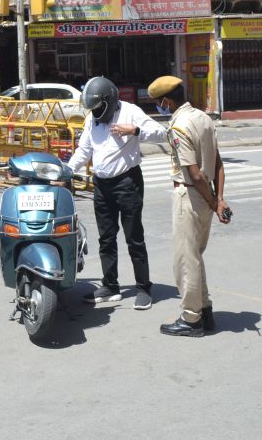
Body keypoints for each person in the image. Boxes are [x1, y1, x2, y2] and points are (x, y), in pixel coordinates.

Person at [67, 76, 166, 310]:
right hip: (102, 186)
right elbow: (84, 150)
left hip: (127, 183)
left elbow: (161, 133)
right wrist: (66, 171)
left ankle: (143, 287)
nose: (96, 112)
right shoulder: (92, 120)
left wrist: (135, 131)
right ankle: (110, 285)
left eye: (99, 107)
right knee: (106, 238)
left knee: (134, 238)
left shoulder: (131, 112)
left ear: (109, 100)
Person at [148, 76, 231, 337]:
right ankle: (204, 310)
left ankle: (191, 319)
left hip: (191, 195)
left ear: (166, 101)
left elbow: (194, 174)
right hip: (206, 196)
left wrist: (212, 201)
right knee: (195, 257)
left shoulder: (179, 126)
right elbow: (218, 163)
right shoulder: (203, 118)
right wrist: (219, 200)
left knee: (185, 261)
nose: (160, 107)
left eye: (159, 103)